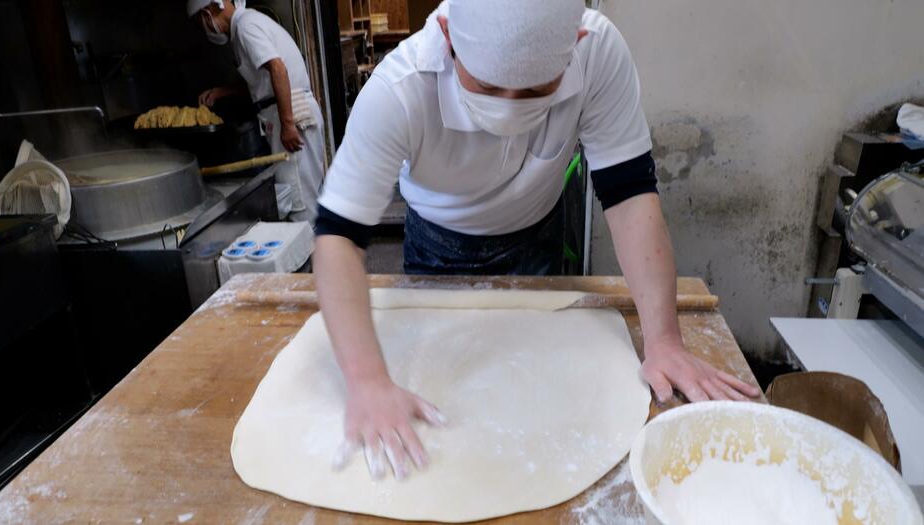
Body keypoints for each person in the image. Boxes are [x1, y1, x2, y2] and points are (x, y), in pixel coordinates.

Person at [315, 0, 762, 481]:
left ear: (575, 44)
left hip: (537, 241)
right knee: (448, 417)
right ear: (447, 35)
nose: (509, 105)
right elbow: (338, 237)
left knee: (541, 395)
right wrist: (365, 382)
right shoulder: (399, 90)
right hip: (437, 247)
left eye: (535, 89)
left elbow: (630, 195)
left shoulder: (599, 54)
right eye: (486, 84)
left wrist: (664, 340)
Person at [187, 0, 325, 224]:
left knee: (300, 204)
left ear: (207, 13)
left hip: (291, 114)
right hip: (289, 112)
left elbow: (278, 68)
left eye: (201, 22)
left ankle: (315, 257)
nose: (205, 28)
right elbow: (265, 80)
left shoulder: (245, 26)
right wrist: (222, 92)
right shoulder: (248, 22)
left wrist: (288, 124)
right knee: (305, 197)